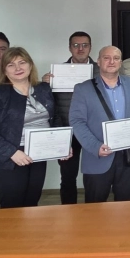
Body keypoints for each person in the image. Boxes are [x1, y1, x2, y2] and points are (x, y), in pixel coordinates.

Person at [0, 47, 61, 208]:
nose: (18, 68)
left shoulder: (43, 89)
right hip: (11, 157)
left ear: (30, 65)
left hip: (39, 153)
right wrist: (11, 152)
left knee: (32, 201)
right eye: (11, 65)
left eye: (22, 62)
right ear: (4, 70)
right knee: (13, 204)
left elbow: (55, 117)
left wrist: (61, 145)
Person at [69, 46, 130, 203]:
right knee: (95, 208)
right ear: (98, 61)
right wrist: (95, 146)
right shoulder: (83, 89)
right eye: (106, 58)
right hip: (98, 156)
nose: (112, 61)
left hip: (128, 156)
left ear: (121, 62)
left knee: (127, 205)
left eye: (116, 58)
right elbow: (77, 121)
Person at [41, 31, 99, 204]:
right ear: (69, 48)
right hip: (67, 129)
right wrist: (44, 85)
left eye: (85, 45)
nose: (80, 49)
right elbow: (49, 103)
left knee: (94, 174)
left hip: (93, 131)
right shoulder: (57, 72)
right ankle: (69, 211)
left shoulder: (101, 70)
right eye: (76, 45)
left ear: (90, 47)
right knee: (67, 175)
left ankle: (93, 210)